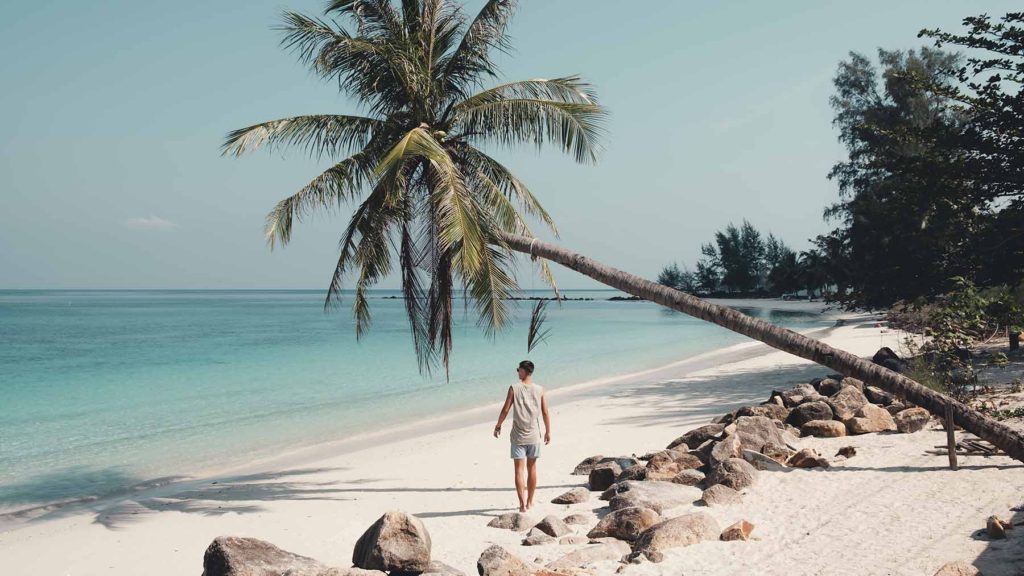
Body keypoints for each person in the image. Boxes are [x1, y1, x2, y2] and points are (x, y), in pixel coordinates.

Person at [493, 360, 550, 512]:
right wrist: (548, 431)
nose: (518, 372)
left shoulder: (514, 388)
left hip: (518, 437)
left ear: (524, 371)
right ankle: (530, 502)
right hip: (534, 436)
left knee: (519, 471)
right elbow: (545, 412)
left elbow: (505, 410)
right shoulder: (540, 389)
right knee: (532, 469)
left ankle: (522, 505)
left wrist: (498, 425)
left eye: (519, 369)